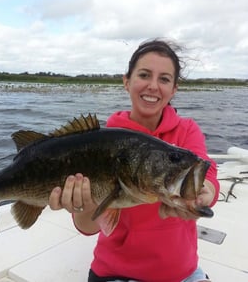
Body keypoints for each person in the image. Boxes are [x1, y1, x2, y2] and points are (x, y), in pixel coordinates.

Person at [49, 38, 219, 282]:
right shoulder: (100, 144)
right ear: (126, 81)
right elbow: (88, 227)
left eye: (164, 79)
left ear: (174, 89)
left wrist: (206, 193)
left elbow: (207, 174)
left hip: (183, 274)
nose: (153, 86)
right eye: (144, 75)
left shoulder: (187, 131)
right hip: (115, 273)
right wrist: (82, 206)